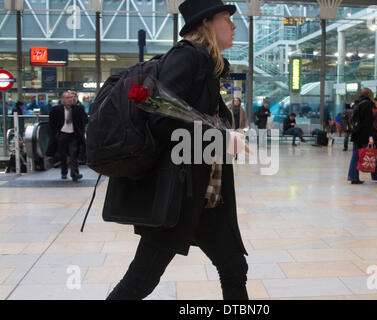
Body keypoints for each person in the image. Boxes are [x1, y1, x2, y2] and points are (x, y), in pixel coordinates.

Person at [106, 0, 249, 300]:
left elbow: (192, 116)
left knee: (233, 267)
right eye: (227, 18)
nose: (234, 26)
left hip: (207, 193)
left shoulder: (207, 63)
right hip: (180, 194)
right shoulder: (188, 58)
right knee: (140, 281)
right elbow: (162, 121)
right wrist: (221, 139)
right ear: (207, 23)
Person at [347, 88, 377, 184]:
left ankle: (356, 176)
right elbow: (368, 122)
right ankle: (375, 175)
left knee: (361, 154)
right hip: (364, 134)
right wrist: (370, 136)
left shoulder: (357, 103)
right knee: (369, 153)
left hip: (356, 133)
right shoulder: (368, 104)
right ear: (369, 94)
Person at [47, 91, 88, 181]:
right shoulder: (56, 110)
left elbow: (85, 119)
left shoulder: (78, 109)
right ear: (63, 99)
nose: (70, 99)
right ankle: (64, 172)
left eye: (71, 97)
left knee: (74, 154)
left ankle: (74, 173)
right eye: (68, 98)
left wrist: (79, 128)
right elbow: (52, 123)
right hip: (62, 134)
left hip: (74, 135)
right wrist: (56, 134)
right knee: (63, 154)